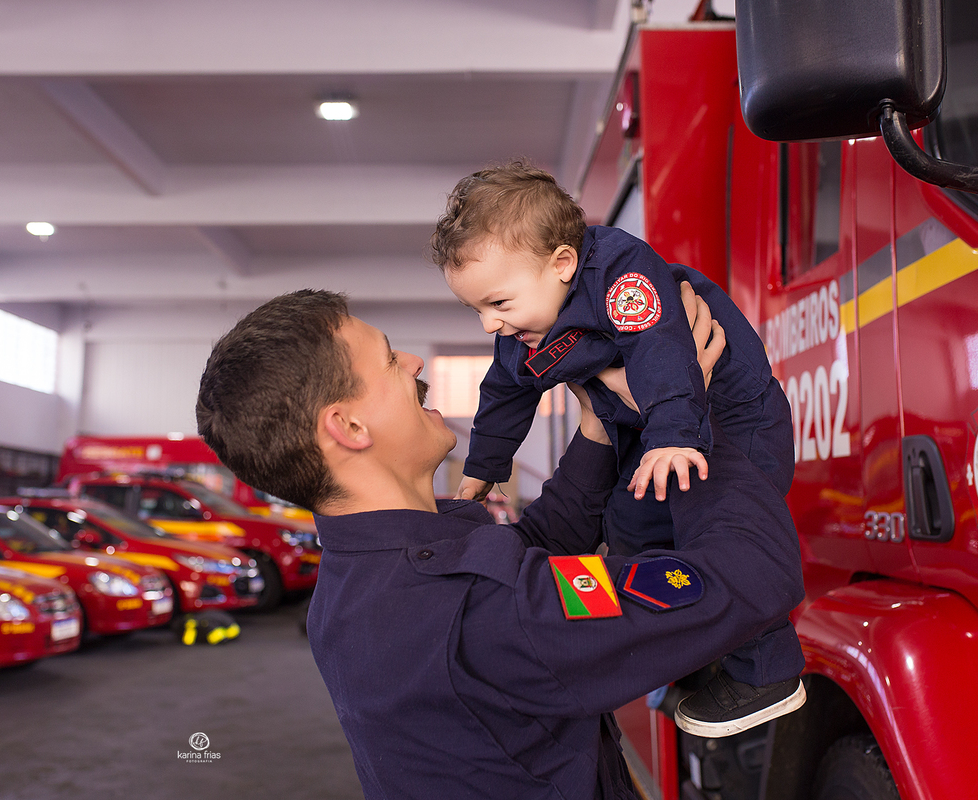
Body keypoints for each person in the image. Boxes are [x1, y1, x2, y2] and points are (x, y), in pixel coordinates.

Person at [195, 287, 805, 799]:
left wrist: (596, 431)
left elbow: (533, 554)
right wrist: (693, 420)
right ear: (349, 427)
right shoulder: (476, 610)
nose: (412, 362)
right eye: (387, 360)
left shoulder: (367, 578)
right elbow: (753, 575)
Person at [430, 160, 803, 735]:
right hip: (646, 428)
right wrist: (485, 467)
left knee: (730, 540)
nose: (488, 325)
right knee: (628, 525)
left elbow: (662, 352)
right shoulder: (524, 326)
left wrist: (677, 437)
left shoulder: (624, 275)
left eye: (498, 305)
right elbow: (503, 393)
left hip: (727, 414)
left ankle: (767, 675)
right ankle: (690, 644)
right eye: (475, 309)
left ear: (562, 264)